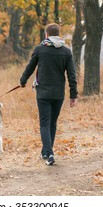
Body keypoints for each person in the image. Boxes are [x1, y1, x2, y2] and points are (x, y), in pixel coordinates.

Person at [19, 23, 78, 166]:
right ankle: (46, 151)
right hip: (58, 94)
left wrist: (23, 81)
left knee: (45, 123)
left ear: (46, 35)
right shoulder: (66, 51)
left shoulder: (40, 49)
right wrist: (73, 95)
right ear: (58, 35)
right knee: (52, 123)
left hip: (43, 93)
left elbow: (30, 67)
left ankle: (49, 153)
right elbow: (72, 75)